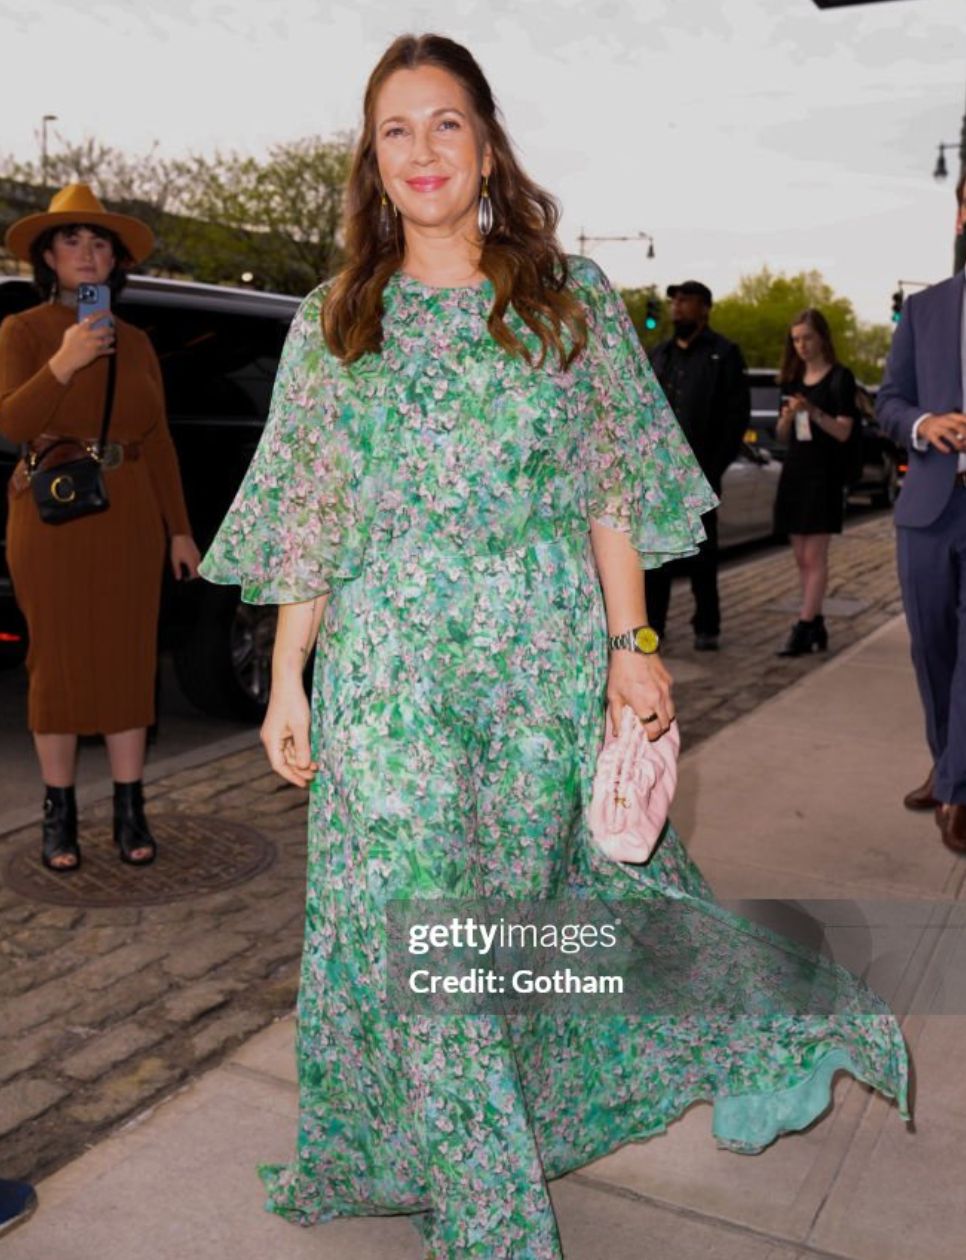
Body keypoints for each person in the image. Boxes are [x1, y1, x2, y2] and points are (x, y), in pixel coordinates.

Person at [201, 34, 909, 1259]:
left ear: (488, 143)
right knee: (429, 926)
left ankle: (575, 1101)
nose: (423, 151)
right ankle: (493, 1223)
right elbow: (312, 513)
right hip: (391, 670)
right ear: (371, 164)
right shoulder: (337, 320)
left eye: (446, 124)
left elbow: (608, 495)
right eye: (395, 131)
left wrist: (633, 645)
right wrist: (291, 675)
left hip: (538, 659)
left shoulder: (563, 298)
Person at [0, 184, 200, 872]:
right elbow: (11, 425)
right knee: (53, 665)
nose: (87, 253)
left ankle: (129, 808)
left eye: (99, 242)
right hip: (50, 516)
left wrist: (180, 530)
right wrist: (65, 360)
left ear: (115, 260)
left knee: (126, 661)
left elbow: (162, 439)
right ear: (47, 257)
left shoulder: (139, 341)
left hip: (131, 514)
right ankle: (58, 817)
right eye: (71, 241)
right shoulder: (21, 332)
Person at [876, 169, 966, 852]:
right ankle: (947, 763)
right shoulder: (926, 310)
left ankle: (958, 790)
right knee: (931, 647)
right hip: (929, 509)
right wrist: (924, 423)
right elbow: (889, 403)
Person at [646, 279, 750, 650]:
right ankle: (652, 627)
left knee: (703, 559)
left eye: (686, 301)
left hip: (700, 475)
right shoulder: (660, 355)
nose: (677, 307)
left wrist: (713, 470)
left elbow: (736, 418)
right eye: (674, 300)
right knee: (656, 560)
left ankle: (707, 627)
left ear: (704, 307)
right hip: (658, 478)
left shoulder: (724, 354)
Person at [772, 308, 859, 657]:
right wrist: (790, 416)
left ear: (822, 337)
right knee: (800, 556)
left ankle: (805, 626)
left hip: (824, 474)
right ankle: (817, 620)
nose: (802, 345)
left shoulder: (840, 378)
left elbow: (843, 432)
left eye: (807, 337)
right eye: (796, 339)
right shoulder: (791, 379)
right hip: (795, 470)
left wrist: (812, 412)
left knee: (815, 554)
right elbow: (780, 435)